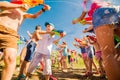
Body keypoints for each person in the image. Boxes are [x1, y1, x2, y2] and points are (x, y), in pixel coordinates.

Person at [0, 1, 50, 80]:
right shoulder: (9, 5)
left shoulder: (24, 14)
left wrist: (43, 9)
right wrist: (19, 5)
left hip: (11, 34)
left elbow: (34, 16)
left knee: (11, 58)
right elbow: (1, 5)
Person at [72, 0, 120, 79]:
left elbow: (82, 17)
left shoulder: (86, 2)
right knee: (117, 52)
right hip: (115, 10)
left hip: (101, 13)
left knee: (108, 53)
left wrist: (75, 21)